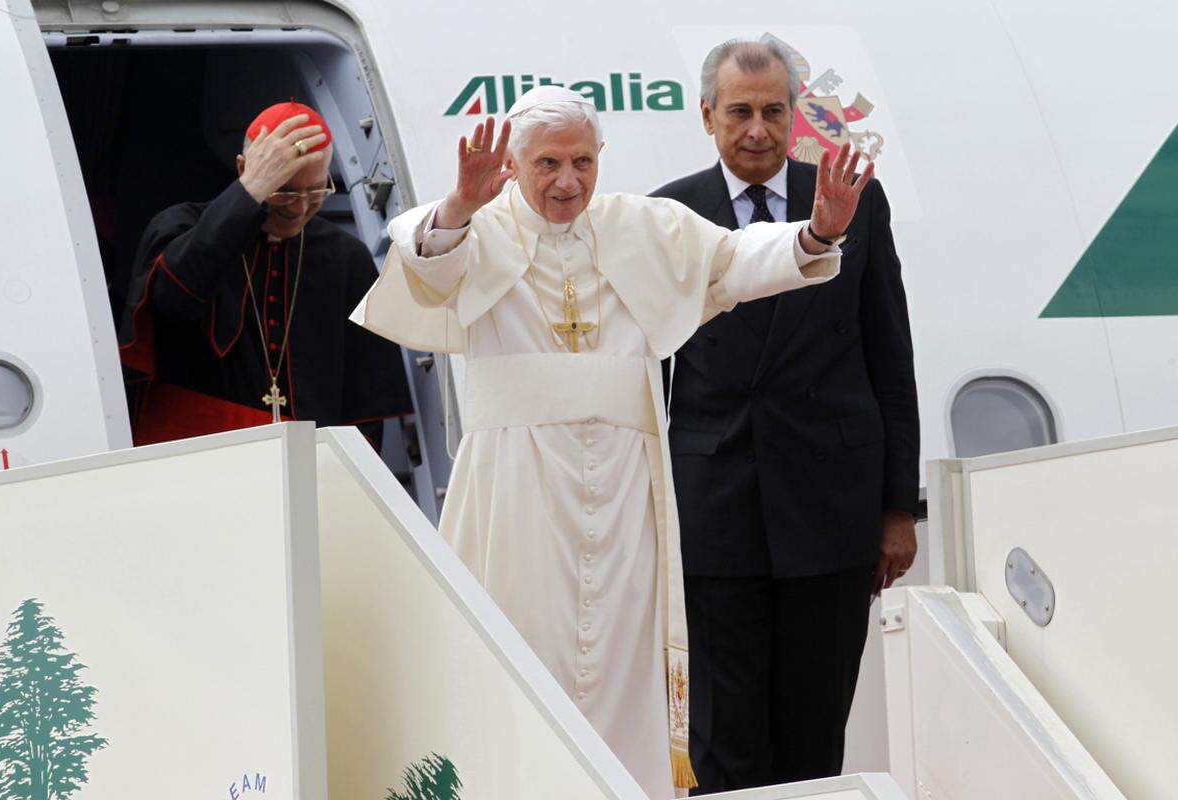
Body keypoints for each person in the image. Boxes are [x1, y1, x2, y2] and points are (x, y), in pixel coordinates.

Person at [351, 85, 872, 798]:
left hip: (627, 488)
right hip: (517, 486)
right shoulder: (481, 225)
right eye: (548, 165)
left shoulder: (642, 227)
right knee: (517, 644)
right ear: (513, 162)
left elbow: (732, 263)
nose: (568, 182)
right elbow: (424, 258)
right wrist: (463, 203)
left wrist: (816, 236)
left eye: (583, 162)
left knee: (625, 659)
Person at [650, 39, 920, 792]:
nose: (758, 130)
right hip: (713, 514)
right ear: (708, 115)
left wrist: (898, 508)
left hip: (829, 513)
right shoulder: (667, 214)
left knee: (812, 738)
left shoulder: (854, 201)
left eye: (773, 111)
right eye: (740, 112)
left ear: (795, 114)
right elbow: (646, 374)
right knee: (722, 743)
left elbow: (889, 356)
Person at [118, 101, 410, 448]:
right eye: (284, 190)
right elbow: (174, 301)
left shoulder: (345, 257)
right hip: (199, 454)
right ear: (244, 169)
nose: (300, 208)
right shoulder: (181, 227)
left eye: (317, 190)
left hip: (307, 462)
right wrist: (249, 195)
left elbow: (366, 398)